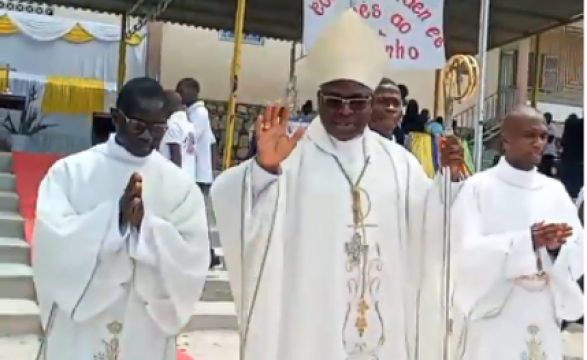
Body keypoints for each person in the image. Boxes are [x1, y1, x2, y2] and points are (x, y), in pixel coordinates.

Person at [211, 10, 465, 360]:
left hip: (382, 320)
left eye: (357, 101)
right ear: (318, 98)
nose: (344, 111)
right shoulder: (292, 155)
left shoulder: (398, 164)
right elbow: (231, 200)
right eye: (333, 100)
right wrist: (264, 168)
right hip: (310, 326)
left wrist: (449, 179)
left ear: (371, 103)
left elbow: (431, 225)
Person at [32, 77, 211, 360]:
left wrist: (146, 228)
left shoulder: (180, 186)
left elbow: (193, 254)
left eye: (158, 129)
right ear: (116, 118)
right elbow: (52, 240)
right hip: (83, 327)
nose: (147, 137)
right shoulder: (71, 172)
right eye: (139, 126)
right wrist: (114, 219)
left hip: (144, 325)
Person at [450, 106, 584, 360]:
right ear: (505, 141)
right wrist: (528, 242)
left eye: (544, 137)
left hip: (543, 311)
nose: (538, 143)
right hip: (496, 314)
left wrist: (555, 250)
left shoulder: (554, 191)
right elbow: (463, 253)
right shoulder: (478, 188)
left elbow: (578, 251)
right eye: (529, 135)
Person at [176, 78, 217, 195]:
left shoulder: (200, 113)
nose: (179, 95)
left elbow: (190, 136)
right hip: (193, 172)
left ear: (193, 92)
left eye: (181, 91)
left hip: (199, 173)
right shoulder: (191, 112)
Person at [159, 90, 196, 175]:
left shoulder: (172, 125)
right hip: (189, 175)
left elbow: (176, 157)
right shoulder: (189, 125)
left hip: (174, 178)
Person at [559, 114, 583, 198]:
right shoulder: (581, 125)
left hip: (567, 160)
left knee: (566, 188)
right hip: (579, 162)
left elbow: (562, 142)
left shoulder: (569, 124)